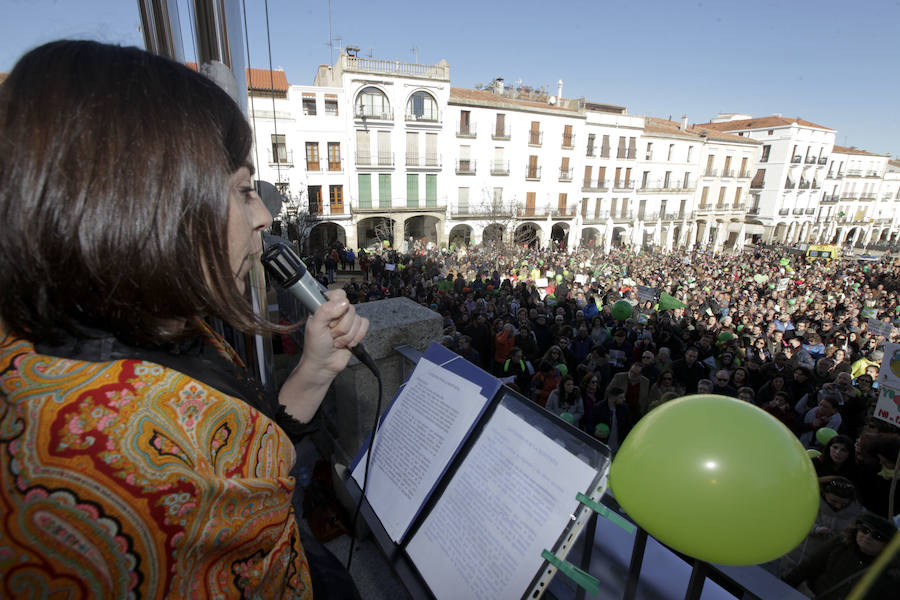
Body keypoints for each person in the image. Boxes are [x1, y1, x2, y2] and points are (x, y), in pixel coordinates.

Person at [0, 41, 370, 599]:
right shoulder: (127, 465)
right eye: (245, 190)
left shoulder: (149, 326)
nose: (265, 215)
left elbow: (247, 448)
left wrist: (314, 371)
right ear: (152, 204)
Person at [782, 512, 898, 599]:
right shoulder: (841, 544)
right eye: (864, 530)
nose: (867, 537)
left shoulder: (889, 572)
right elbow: (809, 566)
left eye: (877, 537)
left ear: (887, 545)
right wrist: (781, 589)